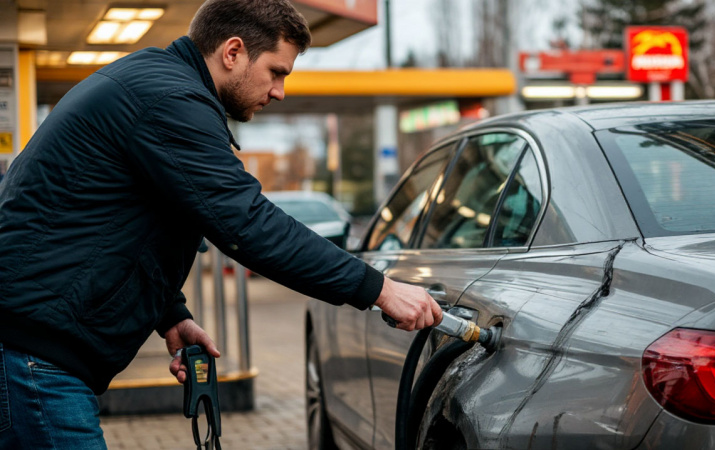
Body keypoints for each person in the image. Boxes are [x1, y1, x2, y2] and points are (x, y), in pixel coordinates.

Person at [0, 0, 442, 447]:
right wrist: (380, 290)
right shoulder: (169, 99)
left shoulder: (157, 85)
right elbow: (247, 223)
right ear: (233, 52)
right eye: (276, 72)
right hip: (33, 356)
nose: (279, 91)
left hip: (30, 346)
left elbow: (121, 222)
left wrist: (170, 315)